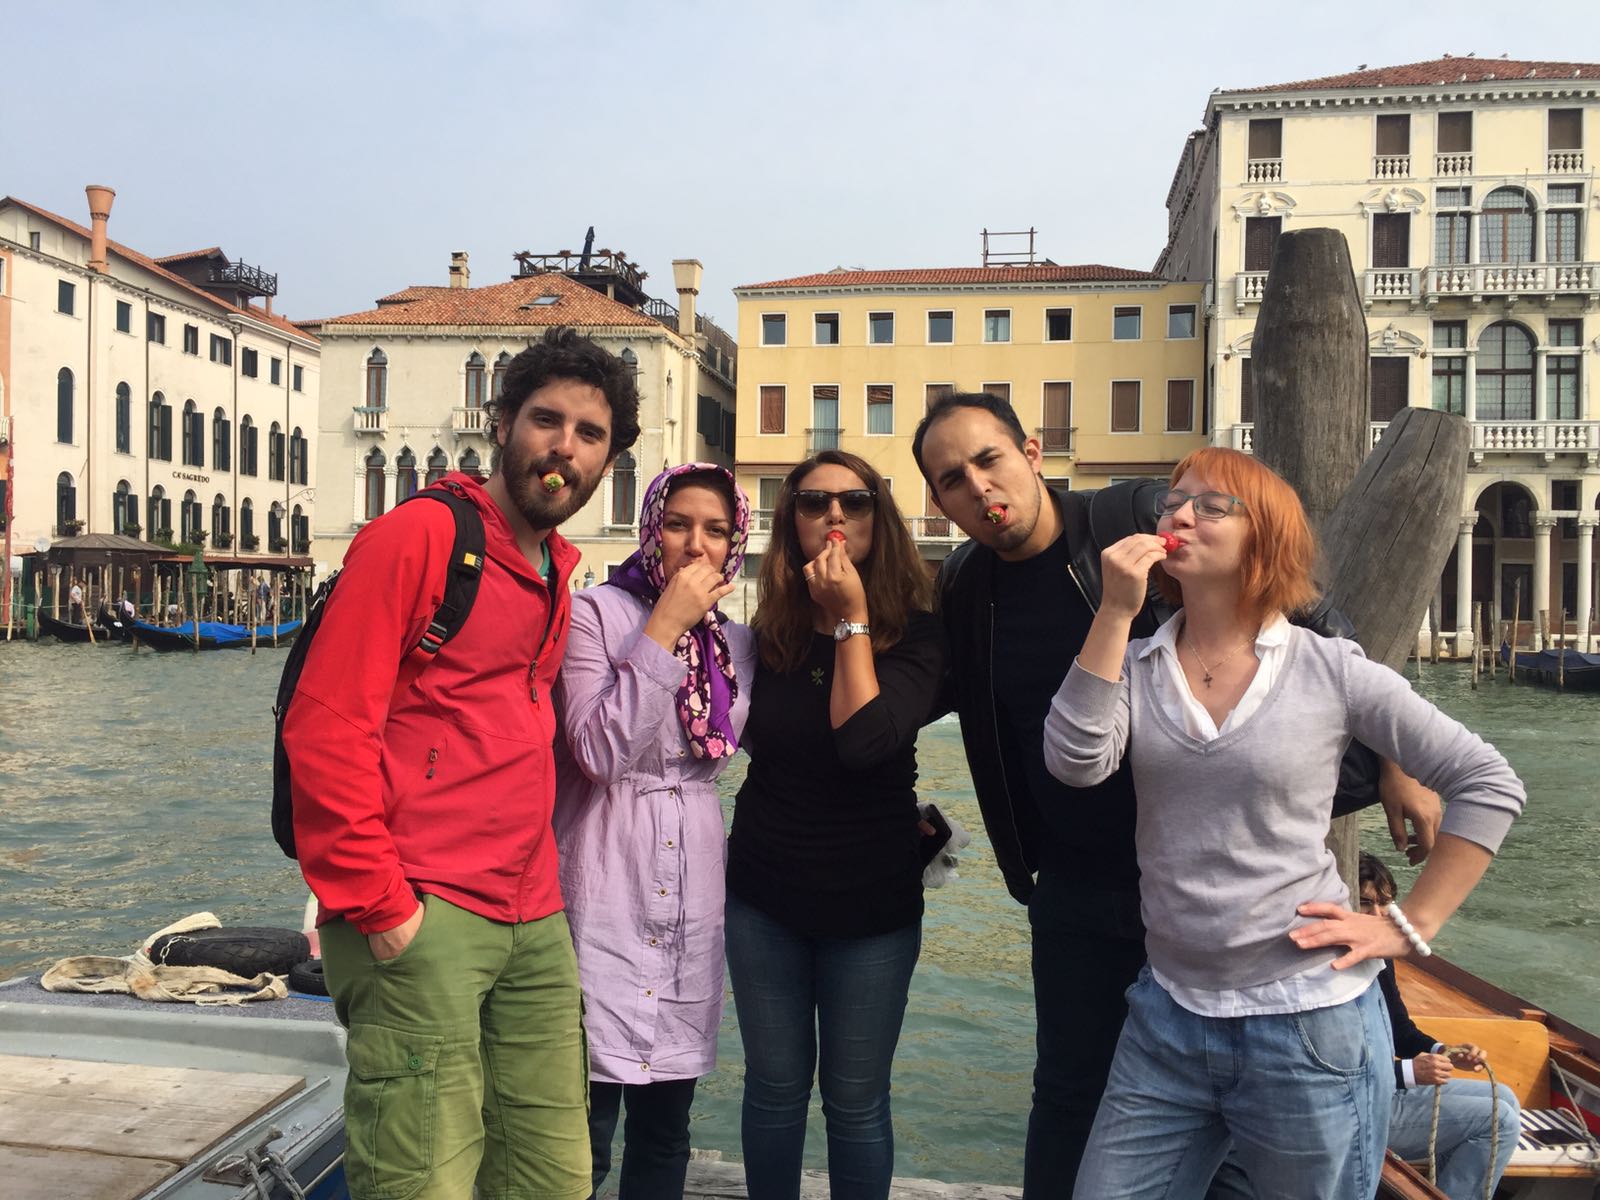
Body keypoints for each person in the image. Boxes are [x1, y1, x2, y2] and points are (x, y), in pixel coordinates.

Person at [909, 391, 1443, 1194]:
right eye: (952, 479)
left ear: (1032, 452)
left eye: (989, 459)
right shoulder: (964, 585)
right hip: (1075, 887)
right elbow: (943, 697)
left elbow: (1306, 611)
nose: (979, 488)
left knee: (1226, 1114)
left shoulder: (1131, 516)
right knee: (1068, 1093)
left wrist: (1397, 756)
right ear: (939, 500)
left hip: (1203, 880)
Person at [1040, 446, 1525, 1198]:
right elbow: (1075, 761)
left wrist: (1408, 927)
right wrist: (1112, 611)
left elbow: (1488, 783)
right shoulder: (1136, 664)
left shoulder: (1331, 668)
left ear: (1264, 540)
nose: (1179, 515)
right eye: (1173, 503)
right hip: (1167, 1014)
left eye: (1211, 506)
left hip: (1307, 1024)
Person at [282, 327, 641, 1200]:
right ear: (503, 422)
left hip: (532, 912)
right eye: (547, 420)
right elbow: (326, 729)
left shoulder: (555, 568)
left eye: (590, 435)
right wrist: (383, 907)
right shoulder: (417, 537)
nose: (565, 448)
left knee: (553, 1176)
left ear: (607, 460)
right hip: (420, 907)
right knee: (422, 1180)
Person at [724, 449, 946, 1200]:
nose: (834, 516)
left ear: (880, 519)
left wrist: (851, 618)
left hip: (871, 906)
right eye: (814, 502)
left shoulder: (917, 633)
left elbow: (864, 743)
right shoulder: (771, 632)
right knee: (773, 1089)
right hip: (763, 898)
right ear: (792, 521)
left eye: (854, 501)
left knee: (855, 1102)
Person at [553, 462, 758, 1199]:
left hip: (693, 890)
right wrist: (664, 627)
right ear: (651, 531)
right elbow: (599, 752)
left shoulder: (739, 643)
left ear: (735, 544)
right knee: (580, 1130)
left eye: (716, 530)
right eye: (678, 525)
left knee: (667, 1130)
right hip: (603, 875)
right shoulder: (592, 615)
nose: (696, 545)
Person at [1365, 853, 1521, 1200]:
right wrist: (1408, 1072)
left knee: (1505, 1097)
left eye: (1384, 903)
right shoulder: (1329, 970)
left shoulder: (1379, 957)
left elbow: (1401, 1031)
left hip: (1386, 1087)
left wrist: (1444, 1051)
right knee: (1499, 1121)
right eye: (1365, 903)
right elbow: (1335, 1072)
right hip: (1358, 1107)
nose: (1377, 915)